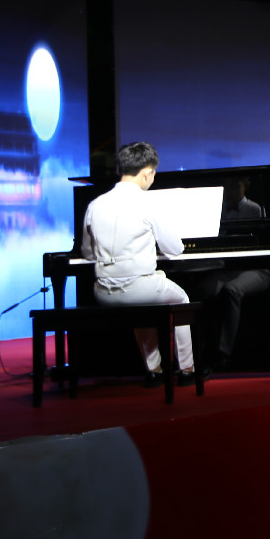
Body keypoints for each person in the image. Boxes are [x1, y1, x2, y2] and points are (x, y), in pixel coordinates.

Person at [80, 142, 197, 385]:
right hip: (139, 288)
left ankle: (154, 370)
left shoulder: (95, 204)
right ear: (147, 173)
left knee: (143, 303)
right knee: (181, 299)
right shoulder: (149, 203)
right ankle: (187, 369)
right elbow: (174, 249)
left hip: (103, 292)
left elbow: (88, 253)